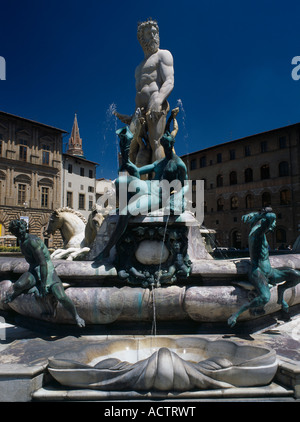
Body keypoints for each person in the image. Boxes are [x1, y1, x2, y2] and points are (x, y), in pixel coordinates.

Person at [93, 127, 188, 266]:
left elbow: (186, 184)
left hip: (158, 195)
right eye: (164, 145)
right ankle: (124, 210)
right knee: (121, 181)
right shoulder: (159, 163)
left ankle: (108, 249)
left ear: (172, 144)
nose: (166, 148)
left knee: (127, 212)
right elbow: (137, 171)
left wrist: (178, 195)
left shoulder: (179, 164)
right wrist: (126, 157)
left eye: (167, 145)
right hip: (147, 186)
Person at [114, 19, 174, 166]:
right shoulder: (138, 67)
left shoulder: (163, 55)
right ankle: (134, 184)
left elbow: (169, 81)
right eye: (149, 34)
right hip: (138, 111)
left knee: (156, 142)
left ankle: (160, 184)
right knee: (130, 147)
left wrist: (159, 100)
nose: (153, 37)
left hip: (156, 102)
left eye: (155, 33)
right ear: (141, 39)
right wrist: (131, 116)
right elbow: (140, 92)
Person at [228, 208, 300, 327]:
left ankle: (280, 295)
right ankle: (235, 314)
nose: (275, 224)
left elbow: (271, 217)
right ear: (264, 222)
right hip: (258, 272)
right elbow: (271, 216)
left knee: (297, 276)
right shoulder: (257, 233)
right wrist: (258, 215)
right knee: (265, 297)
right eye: (273, 223)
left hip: (270, 271)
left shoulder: (260, 233)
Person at [5, 219, 85, 327]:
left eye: (21, 228)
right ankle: (15, 295)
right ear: (14, 232)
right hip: (33, 270)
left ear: (24, 228)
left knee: (60, 296)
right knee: (18, 285)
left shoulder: (33, 241)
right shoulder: (22, 242)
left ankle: (76, 316)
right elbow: (34, 263)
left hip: (47, 271)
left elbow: (43, 263)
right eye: (17, 230)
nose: (20, 231)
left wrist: (43, 284)